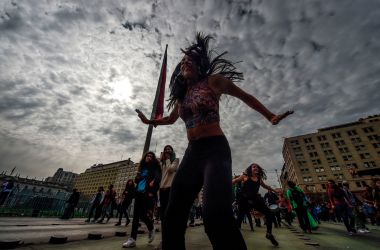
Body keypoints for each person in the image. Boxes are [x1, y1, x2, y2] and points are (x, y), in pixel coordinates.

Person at [135, 33, 292, 250]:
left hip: (215, 151)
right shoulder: (181, 96)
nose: (185, 62)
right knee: (172, 215)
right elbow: (170, 119)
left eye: (190, 59)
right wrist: (149, 121)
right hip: (192, 153)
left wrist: (270, 116)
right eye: (183, 61)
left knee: (215, 217)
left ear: (200, 64)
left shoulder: (214, 82)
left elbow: (246, 97)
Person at [233, 164, 279, 246]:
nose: (256, 168)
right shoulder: (245, 176)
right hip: (244, 200)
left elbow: (266, 186)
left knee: (269, 213)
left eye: (257, 167)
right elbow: (234, 181)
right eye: (254, 167)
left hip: (255, 199)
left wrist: (275, 191)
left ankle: (269, 234)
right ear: (250, 169)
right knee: (240, 218)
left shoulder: (259, 179)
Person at [123, 151, 162, 248]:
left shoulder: (155, 168)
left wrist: (151, 192)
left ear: (153, 159)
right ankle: (132, 239)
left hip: (147, 194)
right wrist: (138, 175)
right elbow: (137, 180)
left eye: (151, 156)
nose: (149, 157)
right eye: (147, 155)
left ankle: (151, 227)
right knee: (136, 216)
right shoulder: (142, 168)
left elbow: (157, 179)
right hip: (138, 193)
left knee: (142, 214)